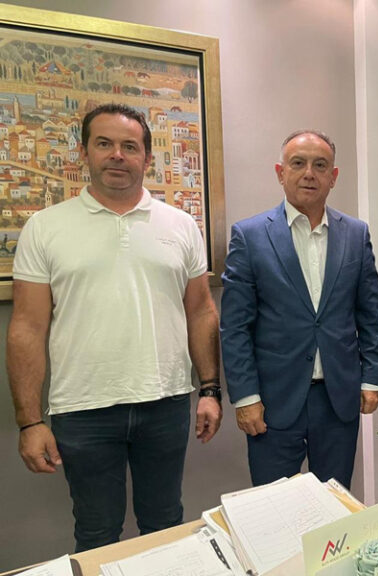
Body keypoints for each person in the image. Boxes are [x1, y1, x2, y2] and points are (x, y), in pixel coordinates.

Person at [7, 103, 222, 552]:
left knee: (165, 526)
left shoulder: (181, 225)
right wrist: (30, 422)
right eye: (104, 143)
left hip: (164, 402)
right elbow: (26, 327)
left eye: (130, 146)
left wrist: (209, 390)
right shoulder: (46, 228)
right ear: (84, 152)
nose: (117, 155)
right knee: (96, 533)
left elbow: (201, 312)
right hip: (83, 408)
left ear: (147, 157)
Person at [220, 130, 378, 488]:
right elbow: (235, 327)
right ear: (280, 173)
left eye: (320, 165)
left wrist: (372, 377)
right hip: (273, 400)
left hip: (337, 398)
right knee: (274, 506)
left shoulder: (355, 234)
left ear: (333, 176)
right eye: (298, 163)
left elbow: (371, 315)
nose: (309, 173)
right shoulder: (249, 236)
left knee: (336, 502)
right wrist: (245, 396)